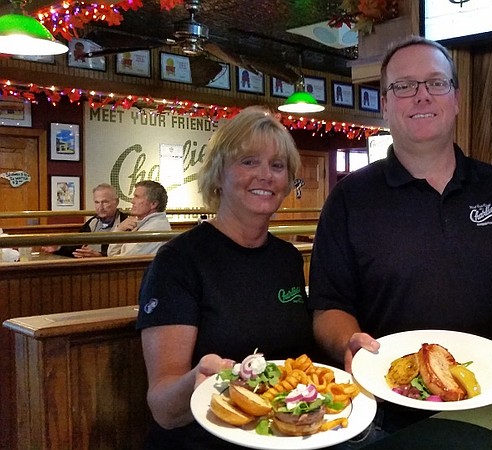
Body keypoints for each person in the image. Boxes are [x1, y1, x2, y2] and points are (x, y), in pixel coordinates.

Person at [308, 36, 492, 439]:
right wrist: (349, 341)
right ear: (385, 104)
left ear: (456, 98)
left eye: (436, 83)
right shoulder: (349, 198)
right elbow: (328, 309)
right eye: (404, 86)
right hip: (389, 413)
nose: (421, 96)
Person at [136, 106, 316, 449]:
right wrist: (196, 380)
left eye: (277, 166)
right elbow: (162, 408)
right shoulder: (178, 261)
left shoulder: (287, 258)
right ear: (218, 174)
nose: (265, 175)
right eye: (248, 161)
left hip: (282, 439)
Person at [43, 183, 128, 258]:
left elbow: (126, 253)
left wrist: (100, 256)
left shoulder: (125, 223)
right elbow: (76, 244)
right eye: (97, 202)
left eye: (105, 202)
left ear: (116, 202)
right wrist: (58, 248)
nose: (100, 207)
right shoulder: (93, 222)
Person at [107, 180, 171, 257]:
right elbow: (112, 255)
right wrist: (119, 229)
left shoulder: (152, 230)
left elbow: (119, 261)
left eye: (137, 197)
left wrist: (118, 231)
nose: (132, 201)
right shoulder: (145, 224)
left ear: (153, 204)